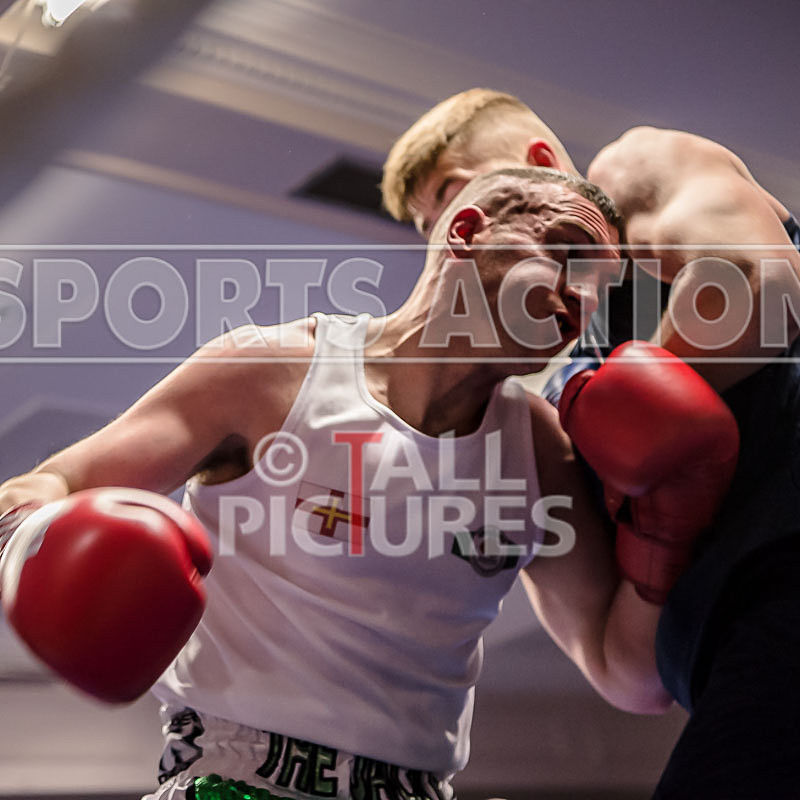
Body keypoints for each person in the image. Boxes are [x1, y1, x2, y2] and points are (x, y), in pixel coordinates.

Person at [0, 166, 737, 799]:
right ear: (468, 230)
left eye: (599, 289)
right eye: (566, 254)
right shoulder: (271, 373)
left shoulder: (540, 450)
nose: (580, 299)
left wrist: (662, 535)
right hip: (239, 779)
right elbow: (38, 487)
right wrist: (43, 539)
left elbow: (628, 675)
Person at [382, 88, 800, 798]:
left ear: (541, 163)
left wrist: (637, 424)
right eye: (434, 225)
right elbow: (627, 675)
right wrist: (653, 541)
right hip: (732, 653)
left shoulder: (632, 174)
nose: (453, 231)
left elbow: (766, 289)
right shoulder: (533, 417)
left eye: (454, 193)